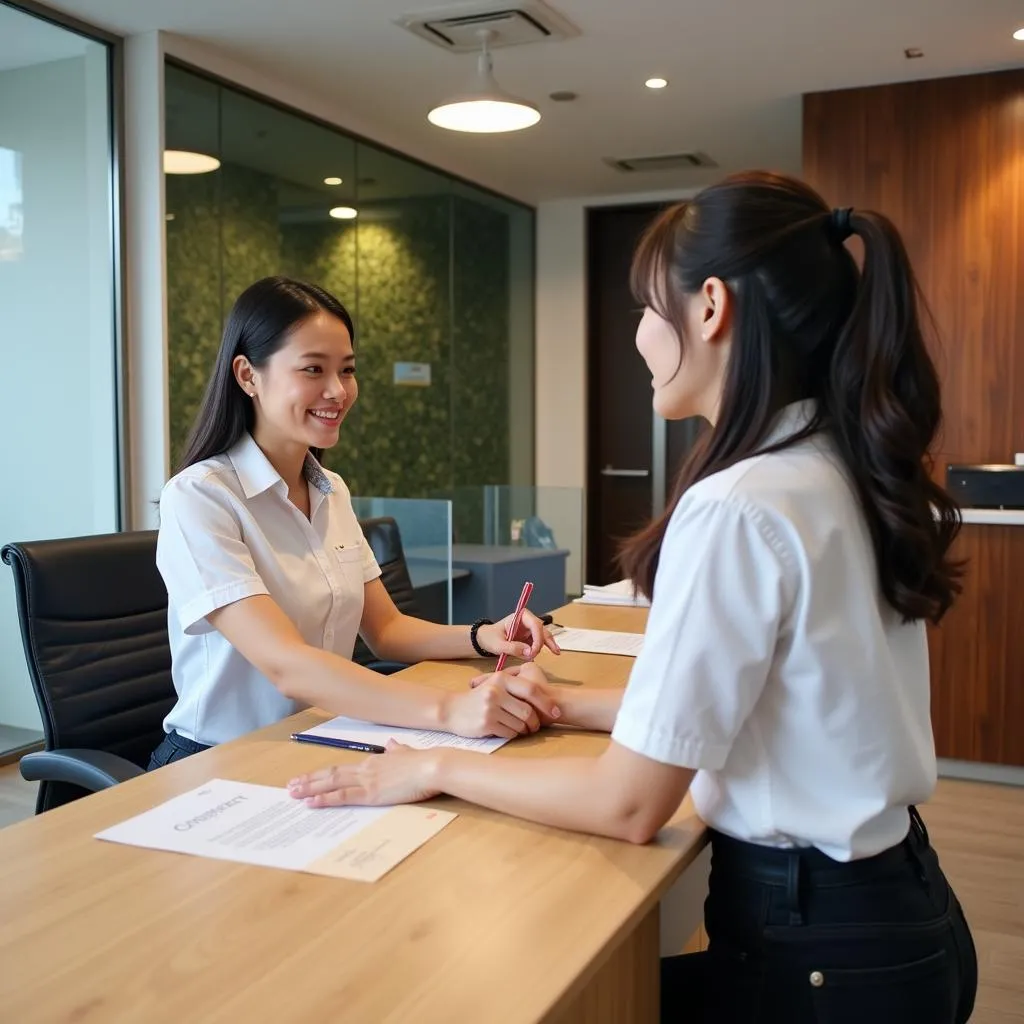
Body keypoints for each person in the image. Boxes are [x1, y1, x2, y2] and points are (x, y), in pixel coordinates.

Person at [287, 172, 978, 1022]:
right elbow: (774, 703)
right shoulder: (835, 468)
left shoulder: (741, 503)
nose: (643, 338)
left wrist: (433, 768)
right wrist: (571, 708)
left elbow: (627, 805)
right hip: (897, 924)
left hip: (819, 961)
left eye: (649, 312)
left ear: (711, 307)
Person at [149, 276, 560, 769]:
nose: (337, 391)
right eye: (312, 369)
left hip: (321, 738)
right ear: (247, 375)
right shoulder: (200, 498)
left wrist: (482, 635)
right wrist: (451, 710)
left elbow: (387, 629)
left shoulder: (331, 489)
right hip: (219, 760)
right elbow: (287, 665)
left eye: (347, 370)